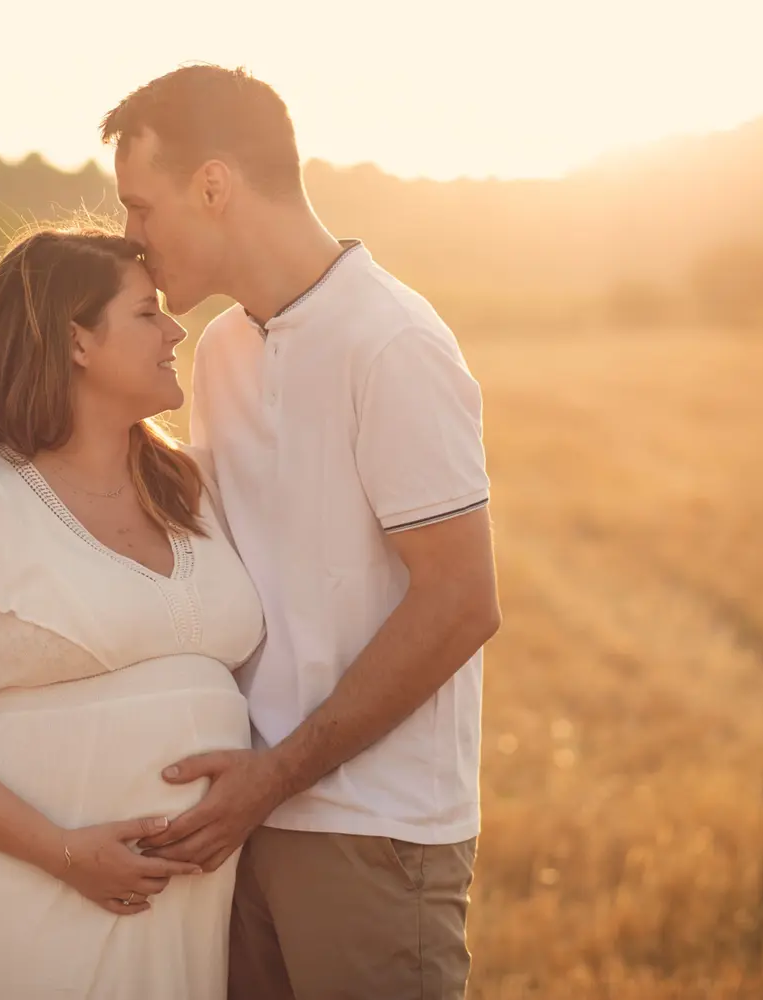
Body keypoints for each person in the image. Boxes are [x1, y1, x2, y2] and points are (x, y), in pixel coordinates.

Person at [101, 65, 502, 999]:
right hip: (243, 821)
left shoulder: (391, 341)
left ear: (213, 185)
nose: (131, 240)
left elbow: (461, 603)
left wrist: (275, 775)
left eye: (140, 207)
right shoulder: (223, 353)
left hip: (374, 830)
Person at [0, 226, 267, 999]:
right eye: (147, 313)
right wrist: (66, 852)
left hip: (187, 903)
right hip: (31, 890)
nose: (176, 328)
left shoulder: (198, 486)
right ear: (76, 342)